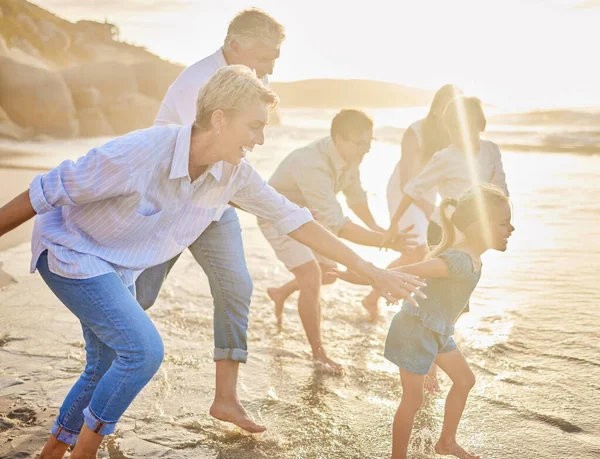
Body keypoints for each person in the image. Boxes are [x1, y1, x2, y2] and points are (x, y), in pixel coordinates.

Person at [0, 66, 425, 459]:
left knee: (106, 364)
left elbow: (293, 219)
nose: (259, 139)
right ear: (219, 119)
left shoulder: (234, 173)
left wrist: (373, 270)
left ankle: (53, 451)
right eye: (254, 126)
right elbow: (48, 188)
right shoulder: (143, 152)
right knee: (143, 351)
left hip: (118, 263)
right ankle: (84, 452)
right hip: (72, 250)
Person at [135, 8, 285, 433]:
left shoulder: (252, 78)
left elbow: (234, 155)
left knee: (236, 286)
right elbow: (198, 156)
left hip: (213, 206)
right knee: (139, 297)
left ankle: (226, 400)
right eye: (265, 55)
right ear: (235, 46)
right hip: (170, 202)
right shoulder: (196, 83)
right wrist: (264, 206)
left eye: (275, 57)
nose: (272, 66)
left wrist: (268, 208)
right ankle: (102, 380)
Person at [333, 184, 514, 459]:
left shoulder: (474, 260)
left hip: (438, 333)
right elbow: (401, 272)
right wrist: (360, 275)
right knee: (413, 399)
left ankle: (446, 443)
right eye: (503, 223)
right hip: (415, 331)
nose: (511, 229)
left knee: (465, 380)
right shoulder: (457, 261)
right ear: (479, 226)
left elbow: (453, 307)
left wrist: (433, 360)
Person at [258, 109, 418, 373]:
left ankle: (280, 293)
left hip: (310, 217)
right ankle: (318, 353)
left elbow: (355, 198)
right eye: (360, 142)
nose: (366, 149)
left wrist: (379, 230)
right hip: (277, 218)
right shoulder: (312, 164)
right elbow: (339, 226)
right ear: (339, 139)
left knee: (329, 274)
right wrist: (386, 242)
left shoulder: (350, 158)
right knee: (311, 275)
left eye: (370, 142)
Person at [382, 95, 509, 391]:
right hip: (443, 234)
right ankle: (427, 367)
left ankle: (436, 353)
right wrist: (392, 224)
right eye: (454, 127)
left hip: (476, 236)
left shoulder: (491, 151)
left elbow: (500, 187)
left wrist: (501, 223)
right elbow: (414, 190)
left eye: (467, 126)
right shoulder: (444, 158)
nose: (460, 133)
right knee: (431, 299)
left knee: (456, 303)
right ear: (447, 128)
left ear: (482, 124)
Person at [361, 84, 463, 318]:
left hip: (427, 194)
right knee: (416, 251)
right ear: (437, 108)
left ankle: (373, 297)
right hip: (403, 191)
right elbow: (407, 176)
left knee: (420, 252)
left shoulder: (451, 138)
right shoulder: (415, 131)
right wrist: (426, 206)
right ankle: (376, 295)